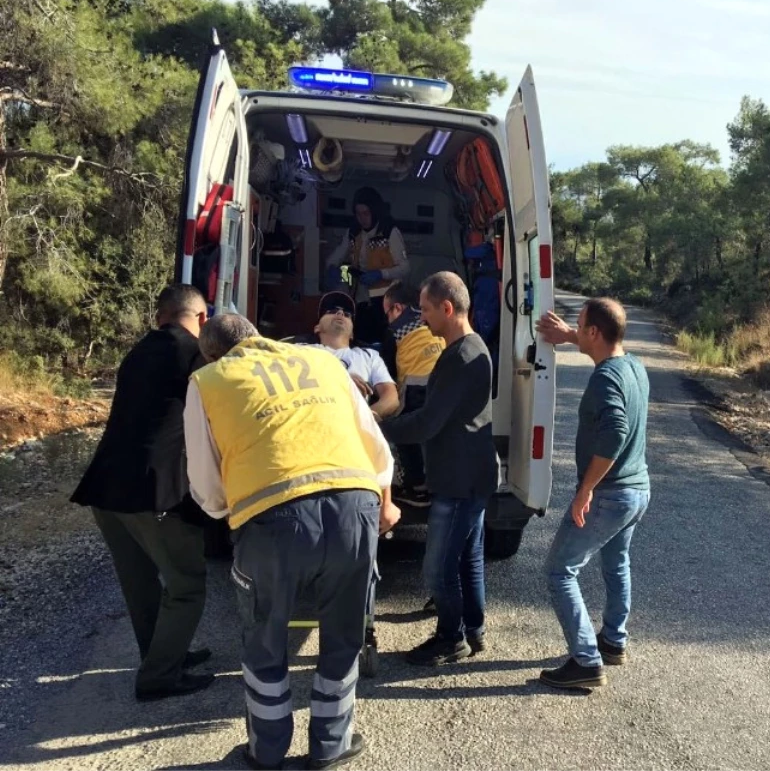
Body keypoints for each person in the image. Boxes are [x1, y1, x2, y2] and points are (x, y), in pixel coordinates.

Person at [184, 314, 401, 770]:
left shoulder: (207, 381)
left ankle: (267, 753)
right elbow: (375, 444)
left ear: (212, 354)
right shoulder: (322, 362)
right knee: (342, 636)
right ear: (256, 337)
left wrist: (231, 511)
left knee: (265, 639)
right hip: (353, 505)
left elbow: (205, 481)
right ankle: (331, 747)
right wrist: (379, 497)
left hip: (271, 516)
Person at [69, 284, 215, 702]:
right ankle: (159, 676)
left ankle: (162, 655)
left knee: (141, 584)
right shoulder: (194, 353)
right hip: (154, 491)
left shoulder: (137, 353)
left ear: (159, 317)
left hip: (105, 487)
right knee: (186, 583)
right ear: (201, 319)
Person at [381, 271, 499, 666]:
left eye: (427, 310)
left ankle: (451, 639)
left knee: (438, 568)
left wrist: (377, 427)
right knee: (468, 558)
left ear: (447, 309)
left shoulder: (459, 357)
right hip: (476, 472)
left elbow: (428, 422)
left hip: (459, 477)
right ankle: (474, 631)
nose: (423, 319)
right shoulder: (474, 347)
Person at [534, 298, 651, 690]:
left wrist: (586, 489)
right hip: (637, 491)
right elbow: (603, 355)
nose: (575, 329)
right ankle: (613, 641)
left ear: (595, 333)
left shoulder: (604, 379)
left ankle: (586, 661)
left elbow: (615, 432)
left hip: (609, 496)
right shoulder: (632, 365)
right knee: (617, 563)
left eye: (579, 325)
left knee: (559, 570)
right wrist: (570, 336)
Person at [379, 280, 445, 508]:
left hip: (416, 388)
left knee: (401, 429)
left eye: (387, 312)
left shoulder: (395, 332)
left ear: (397, 309)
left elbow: (388, 374)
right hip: (442, 384)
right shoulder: (432, 319)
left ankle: (417, 488)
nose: (388, 319)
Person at [323, 187, 409, 345]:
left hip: (385, 302)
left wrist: (381, 274)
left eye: (366, 213)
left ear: (374, 211)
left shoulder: (389, 232)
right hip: (361, 299)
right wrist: (332, 267)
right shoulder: (353, 232)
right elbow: (336, 256)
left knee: (384, 343)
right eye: (358, 214)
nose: (362, 218)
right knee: (360, 341)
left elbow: (404, 268)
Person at [305, 291, 399, 422]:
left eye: (347, 314)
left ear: (352, 334)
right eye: (331, 311)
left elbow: (391, 398)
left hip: (352, 429)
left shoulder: (369, 356)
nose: (340, 313)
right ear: (317, 328)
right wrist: (339, 379)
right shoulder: (301, 350)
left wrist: (364, 420)